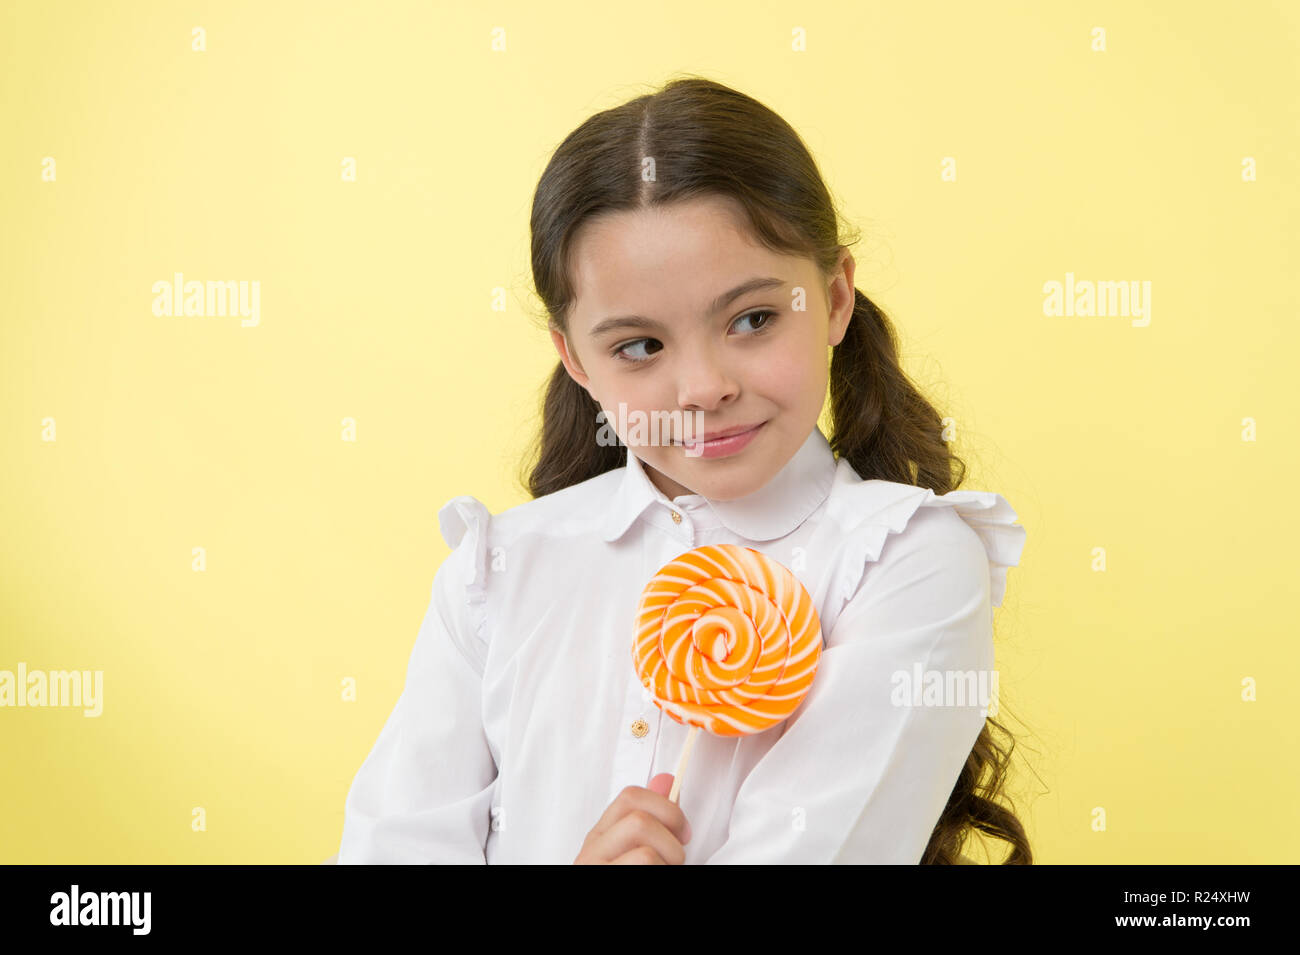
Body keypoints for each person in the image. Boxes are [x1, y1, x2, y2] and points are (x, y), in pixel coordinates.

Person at [337, 75, 1031, 864]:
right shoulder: (494, 573)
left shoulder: (906, 560)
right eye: (640, 345)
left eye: (753, 319)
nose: (705, 388)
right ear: (577, 361)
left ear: (835, 297)